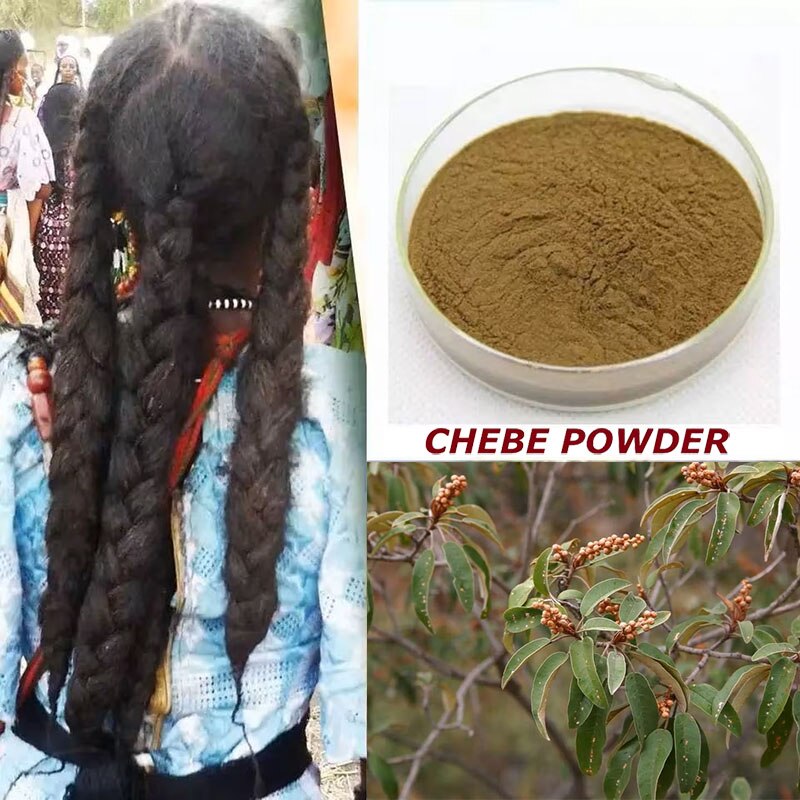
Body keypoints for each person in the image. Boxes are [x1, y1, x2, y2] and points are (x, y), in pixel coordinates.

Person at [0, 4, 365, 799]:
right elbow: (352, 713)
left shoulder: (14, 392)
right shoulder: (342, 420)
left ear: (112, 191)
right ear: (287, 191)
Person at [0, 30, 54, 323]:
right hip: (7, 230)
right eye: (21, 71)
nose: (22, 78)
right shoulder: (23, 121)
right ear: (9, 74)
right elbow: (41, 189)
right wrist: (27, 241)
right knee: (12, 325)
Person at [34, 81, 82, 321]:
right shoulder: (85, 147)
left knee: (44, 305)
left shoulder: (41, 146)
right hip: (79, 233)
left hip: (45, 236)